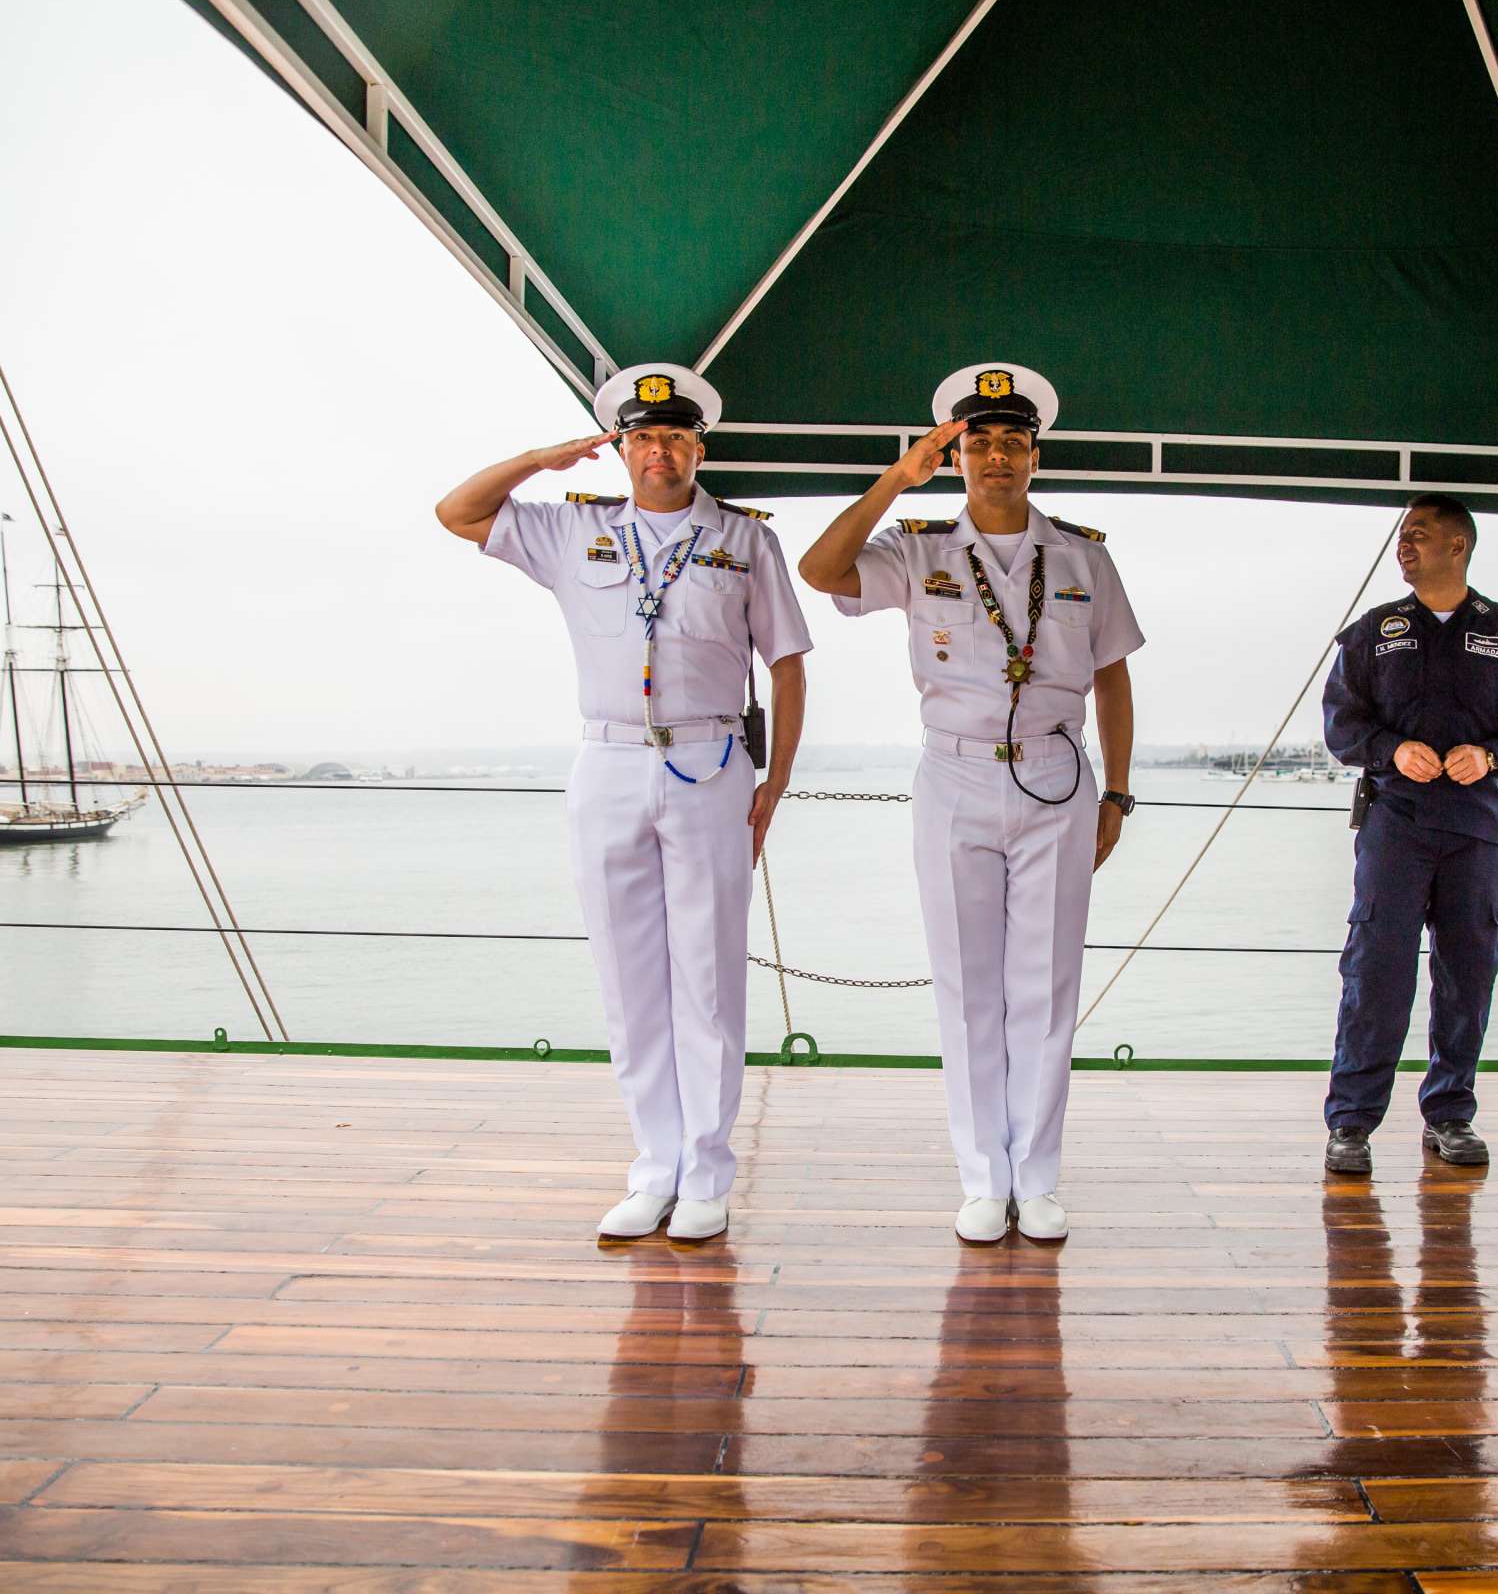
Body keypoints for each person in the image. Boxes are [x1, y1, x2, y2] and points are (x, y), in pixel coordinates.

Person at [434, 363, 810, 1243]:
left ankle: (708, 1174)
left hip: (711, 761)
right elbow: (457, 512)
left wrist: (777, 780)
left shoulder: (744, 540)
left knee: (709, 977)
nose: (660, 451)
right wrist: (541, 459)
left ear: (698, 447)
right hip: (606, 762)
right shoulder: (574, 532)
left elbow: (789, 662)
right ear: (622, 448)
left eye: (676, 436)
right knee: (629, 977)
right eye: (642, 437)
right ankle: (654, 1168)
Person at [799, 364, 1142, 1244]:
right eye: (979, 443)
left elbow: (1112, 679)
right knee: (964, 986)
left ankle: (1040, 1173)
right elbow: (820, 569)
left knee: (1048, 985)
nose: (997, 456)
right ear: (957, 458)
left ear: (1036, 455)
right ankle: (984, 1179)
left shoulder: (1082, 557)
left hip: (1058, 778)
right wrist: (893, 482)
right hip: (952, 779)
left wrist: (1120, 793)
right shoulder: (917, 551)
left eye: (1012, 442)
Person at [1320, 495, 1498, 1175]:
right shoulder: (1374, 632)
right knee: (1376, 972)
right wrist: (1391, 750)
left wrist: (1492, 755)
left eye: (1418, 536)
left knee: (1468, 972)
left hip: (1477, 827)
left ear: (1457, 547)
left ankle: (1450, 1113)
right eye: (1402, 535)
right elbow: (1342, 724)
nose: (1404, 546)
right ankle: (1351, 1123)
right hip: (1394, 825)